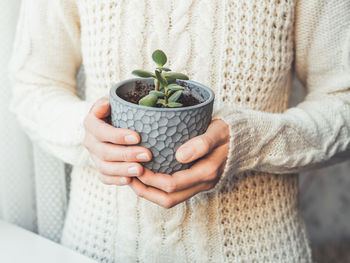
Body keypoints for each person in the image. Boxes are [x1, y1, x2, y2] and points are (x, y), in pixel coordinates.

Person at [8, 0, 350, 262]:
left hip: (257, 248)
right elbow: (34, 84)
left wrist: (252, 142)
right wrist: (88, 134)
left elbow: (343, 101)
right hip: (100, 247)